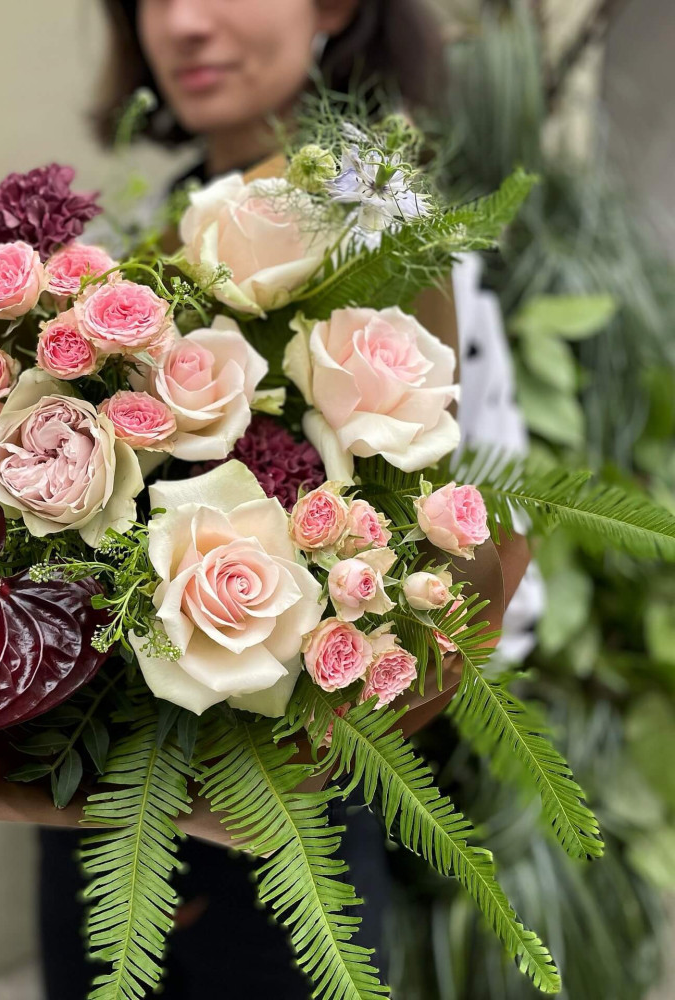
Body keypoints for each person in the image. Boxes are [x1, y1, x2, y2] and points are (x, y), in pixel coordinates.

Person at [39, 2, 539, 996]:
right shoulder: (131, 239)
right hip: (95, 794)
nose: (184, 24)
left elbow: (482, 529)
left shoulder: (387, 229)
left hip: (294, 811)